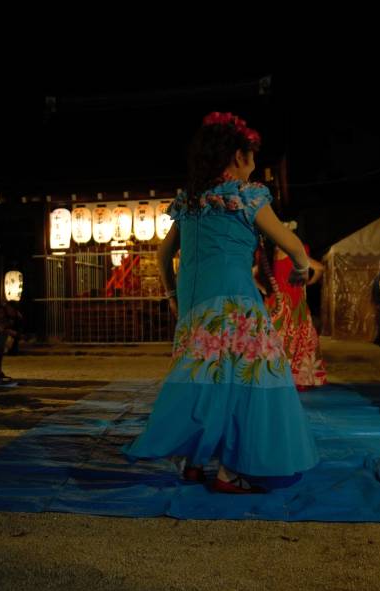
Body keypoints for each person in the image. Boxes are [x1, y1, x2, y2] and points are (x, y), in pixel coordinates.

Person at [121, 111, 319, 494]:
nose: (254, 165)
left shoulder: (191, 202)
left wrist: (172, 297)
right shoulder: (247, 196)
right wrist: (299, 270)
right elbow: (292, 245)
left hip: (196, 309)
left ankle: (194, 463)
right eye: (251, 156)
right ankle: (231, 471)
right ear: (238, 157)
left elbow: (164, 257)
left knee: (203, 382)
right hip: (237, 307)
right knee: (245, 385)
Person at [259, 225, 327, 390]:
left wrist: (262, 289)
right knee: (298, 340)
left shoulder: (268, 255)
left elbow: (252, 272)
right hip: (295, 304)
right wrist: (309, 282)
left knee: (275, 340)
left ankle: (272, 376)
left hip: (275, 303)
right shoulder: (294, 254)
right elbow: (320, 267)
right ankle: (296, 377)